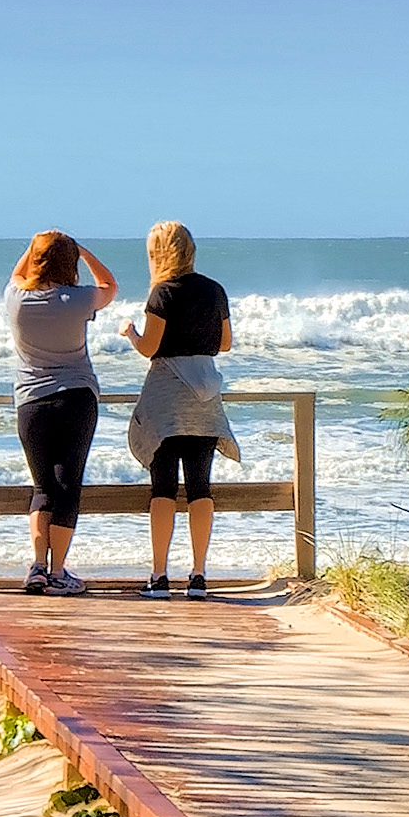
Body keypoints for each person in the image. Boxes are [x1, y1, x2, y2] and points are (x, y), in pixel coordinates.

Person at [122, 221, 236, 598]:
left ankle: (158, 576)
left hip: (167, 400)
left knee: (164, 487)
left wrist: (130, 333)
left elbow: (150, 349)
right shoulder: (215, 290)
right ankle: (199, 575)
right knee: (201, 485)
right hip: (204, 397)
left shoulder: (162, 292)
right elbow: (225, 345)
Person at [8, 229, 116, 595]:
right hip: (76, 399)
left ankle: (37, 566)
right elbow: (110, 285)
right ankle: (58, 572)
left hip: (31, 402)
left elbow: (17, 275)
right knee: (68, 485)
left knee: (43, 486)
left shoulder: (17, 299)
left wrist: (34, 247)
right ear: (69, 263)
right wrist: (82, 250)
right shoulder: (78, 299)